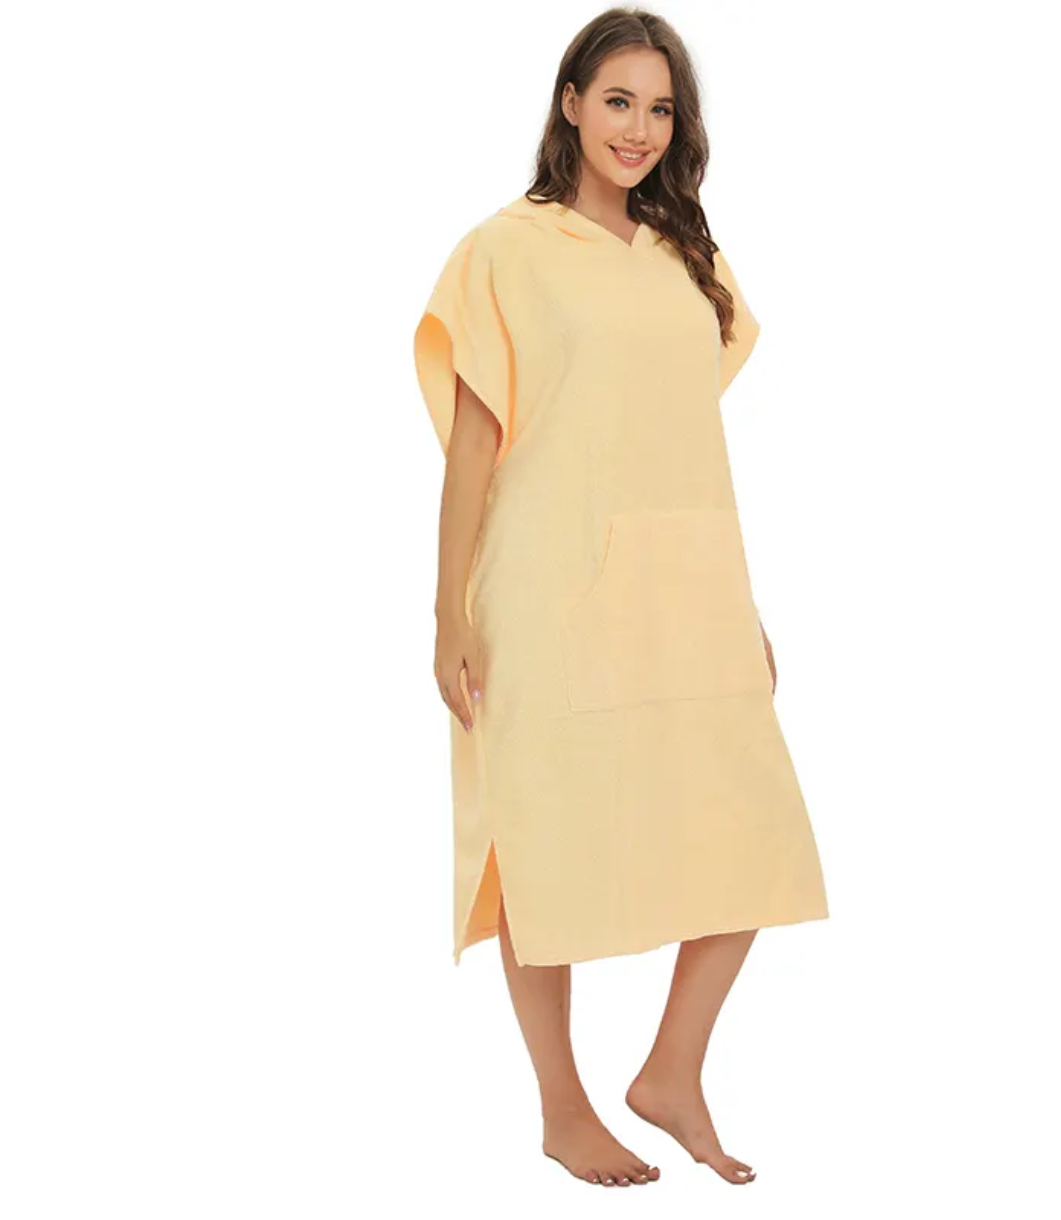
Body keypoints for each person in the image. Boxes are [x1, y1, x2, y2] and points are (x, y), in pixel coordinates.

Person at [413, 6, 829, 1189]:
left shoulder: (689, 255)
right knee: (543, 840)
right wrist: (447, 614)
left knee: (754, 830)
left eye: (658, 108)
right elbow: (474, 447)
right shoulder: (504, 249)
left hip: (684, 585)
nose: (637, 128)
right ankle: (562, 1105)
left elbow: (673, 441)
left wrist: (736, 603)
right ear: (569, 103)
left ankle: (670, 1072)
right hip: (544, 586)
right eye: (616, 101)